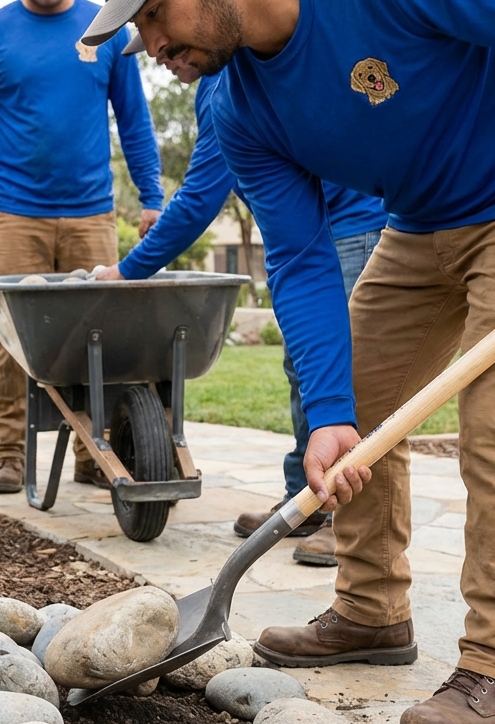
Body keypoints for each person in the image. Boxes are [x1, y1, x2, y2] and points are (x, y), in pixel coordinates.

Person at [84, 0, 495, 724]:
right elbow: (302, 260)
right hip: (422, 221)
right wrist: (331, 412)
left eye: (152, 16)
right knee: (356, 415)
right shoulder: (238, 108)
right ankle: (371, 611)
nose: (150, 46)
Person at [100, 39, 387, 567]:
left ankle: (348, 521)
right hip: (316, 231)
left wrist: (128, 269)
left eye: (160, 27)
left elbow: (199, 199)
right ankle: (306, 499)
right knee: (304, 365)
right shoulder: (221, 81)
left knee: (346, 374)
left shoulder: (223, 87)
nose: (159, 55)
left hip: (353, 226)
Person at [0, 0, 165, 494]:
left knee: (101, 337)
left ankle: (94, 454)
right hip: (16, 214)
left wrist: (152, 196)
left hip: (93, 214)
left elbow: (134, 120)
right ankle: (9, 455)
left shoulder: (103, 28)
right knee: (11, 338)